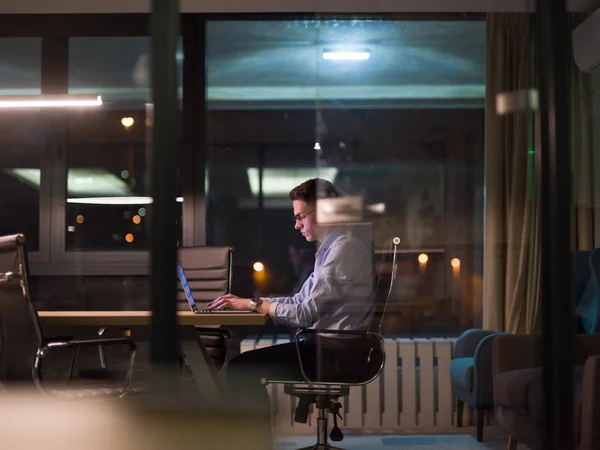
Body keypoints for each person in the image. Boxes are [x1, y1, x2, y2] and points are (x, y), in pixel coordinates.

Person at [207, 178, 374, 447]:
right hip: (326, 347)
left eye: (300, 217)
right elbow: (299, 299)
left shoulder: (345, 249)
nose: (296, 224)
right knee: (243, 366)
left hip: (334, 353)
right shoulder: (330, 250)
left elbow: (305, 313)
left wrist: (254, 305)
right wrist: (252, 301)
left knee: (241, 368)